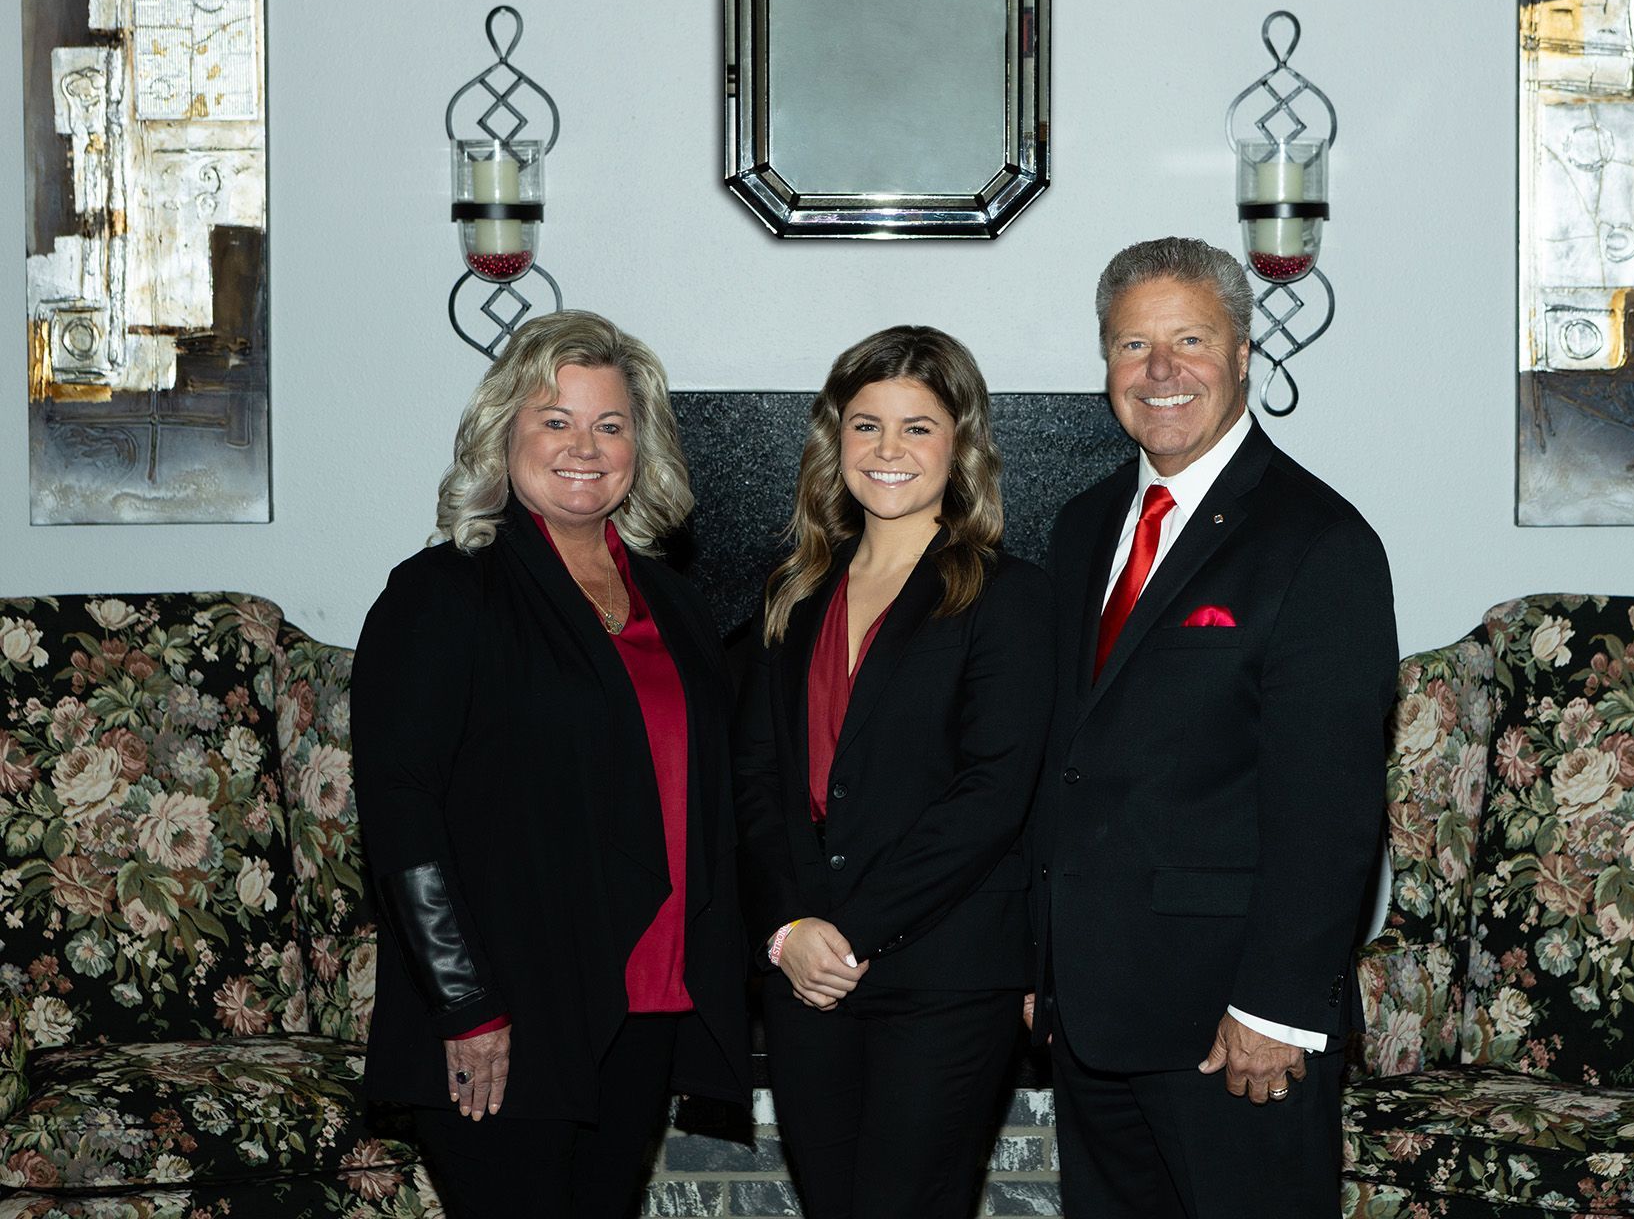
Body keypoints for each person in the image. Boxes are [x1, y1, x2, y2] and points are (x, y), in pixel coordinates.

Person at [1025, 238, 1399, 1218]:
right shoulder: (1080, 526)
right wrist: (1041, 967)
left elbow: (1333, 804)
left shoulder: (1321, 543)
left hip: (1233, 1024)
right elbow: (1062, 762)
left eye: (1190, 338)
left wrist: (1278, 1005)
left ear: (1242, 354)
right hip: (1096, 1014)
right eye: (1132, 344)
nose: (1161, 371)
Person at [352, 310, 749, 1218]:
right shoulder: (445, 592)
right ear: (505, 435)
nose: (585, 446)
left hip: (646, 999)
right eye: (555, 420)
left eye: (611, 425)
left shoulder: (676, 606)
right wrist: (466, 1005)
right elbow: (401, 814)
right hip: (506, 1013)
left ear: (640, 448)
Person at [734, 325, 1053, 1219]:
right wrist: (788, 929)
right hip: (806, 972)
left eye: (918, 427)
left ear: (962, 445)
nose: (889, 450)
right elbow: (755, 785)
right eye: (866, 424)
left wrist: (848, 932)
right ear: (835, 441)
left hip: (944, 975)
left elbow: (993, 798)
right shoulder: (793, 593)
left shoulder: (1009, 597)